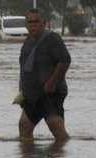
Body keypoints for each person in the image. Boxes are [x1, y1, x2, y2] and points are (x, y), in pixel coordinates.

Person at [17, 8, 71, 142]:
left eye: (36, 21)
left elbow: (65, 60)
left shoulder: (51, 38)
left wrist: (52, 82)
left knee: (55, 124)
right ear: (26, 25)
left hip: (51, 92)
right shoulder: (27, 42)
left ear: (44, 23)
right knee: (24, 125)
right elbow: (24, 68)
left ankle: (62, 153)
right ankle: (30, 157)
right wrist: (22, 90)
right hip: (32, 94)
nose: (33, 25)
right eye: (30, 22)